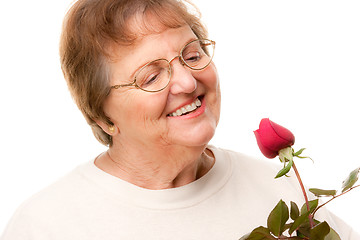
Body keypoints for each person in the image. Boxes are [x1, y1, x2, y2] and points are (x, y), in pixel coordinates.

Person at [1, 0, 359, 239]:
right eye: (152, 76)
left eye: (191, 54)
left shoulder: (279, 191)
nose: (188, 82)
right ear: (102, 115)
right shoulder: (47, 225)